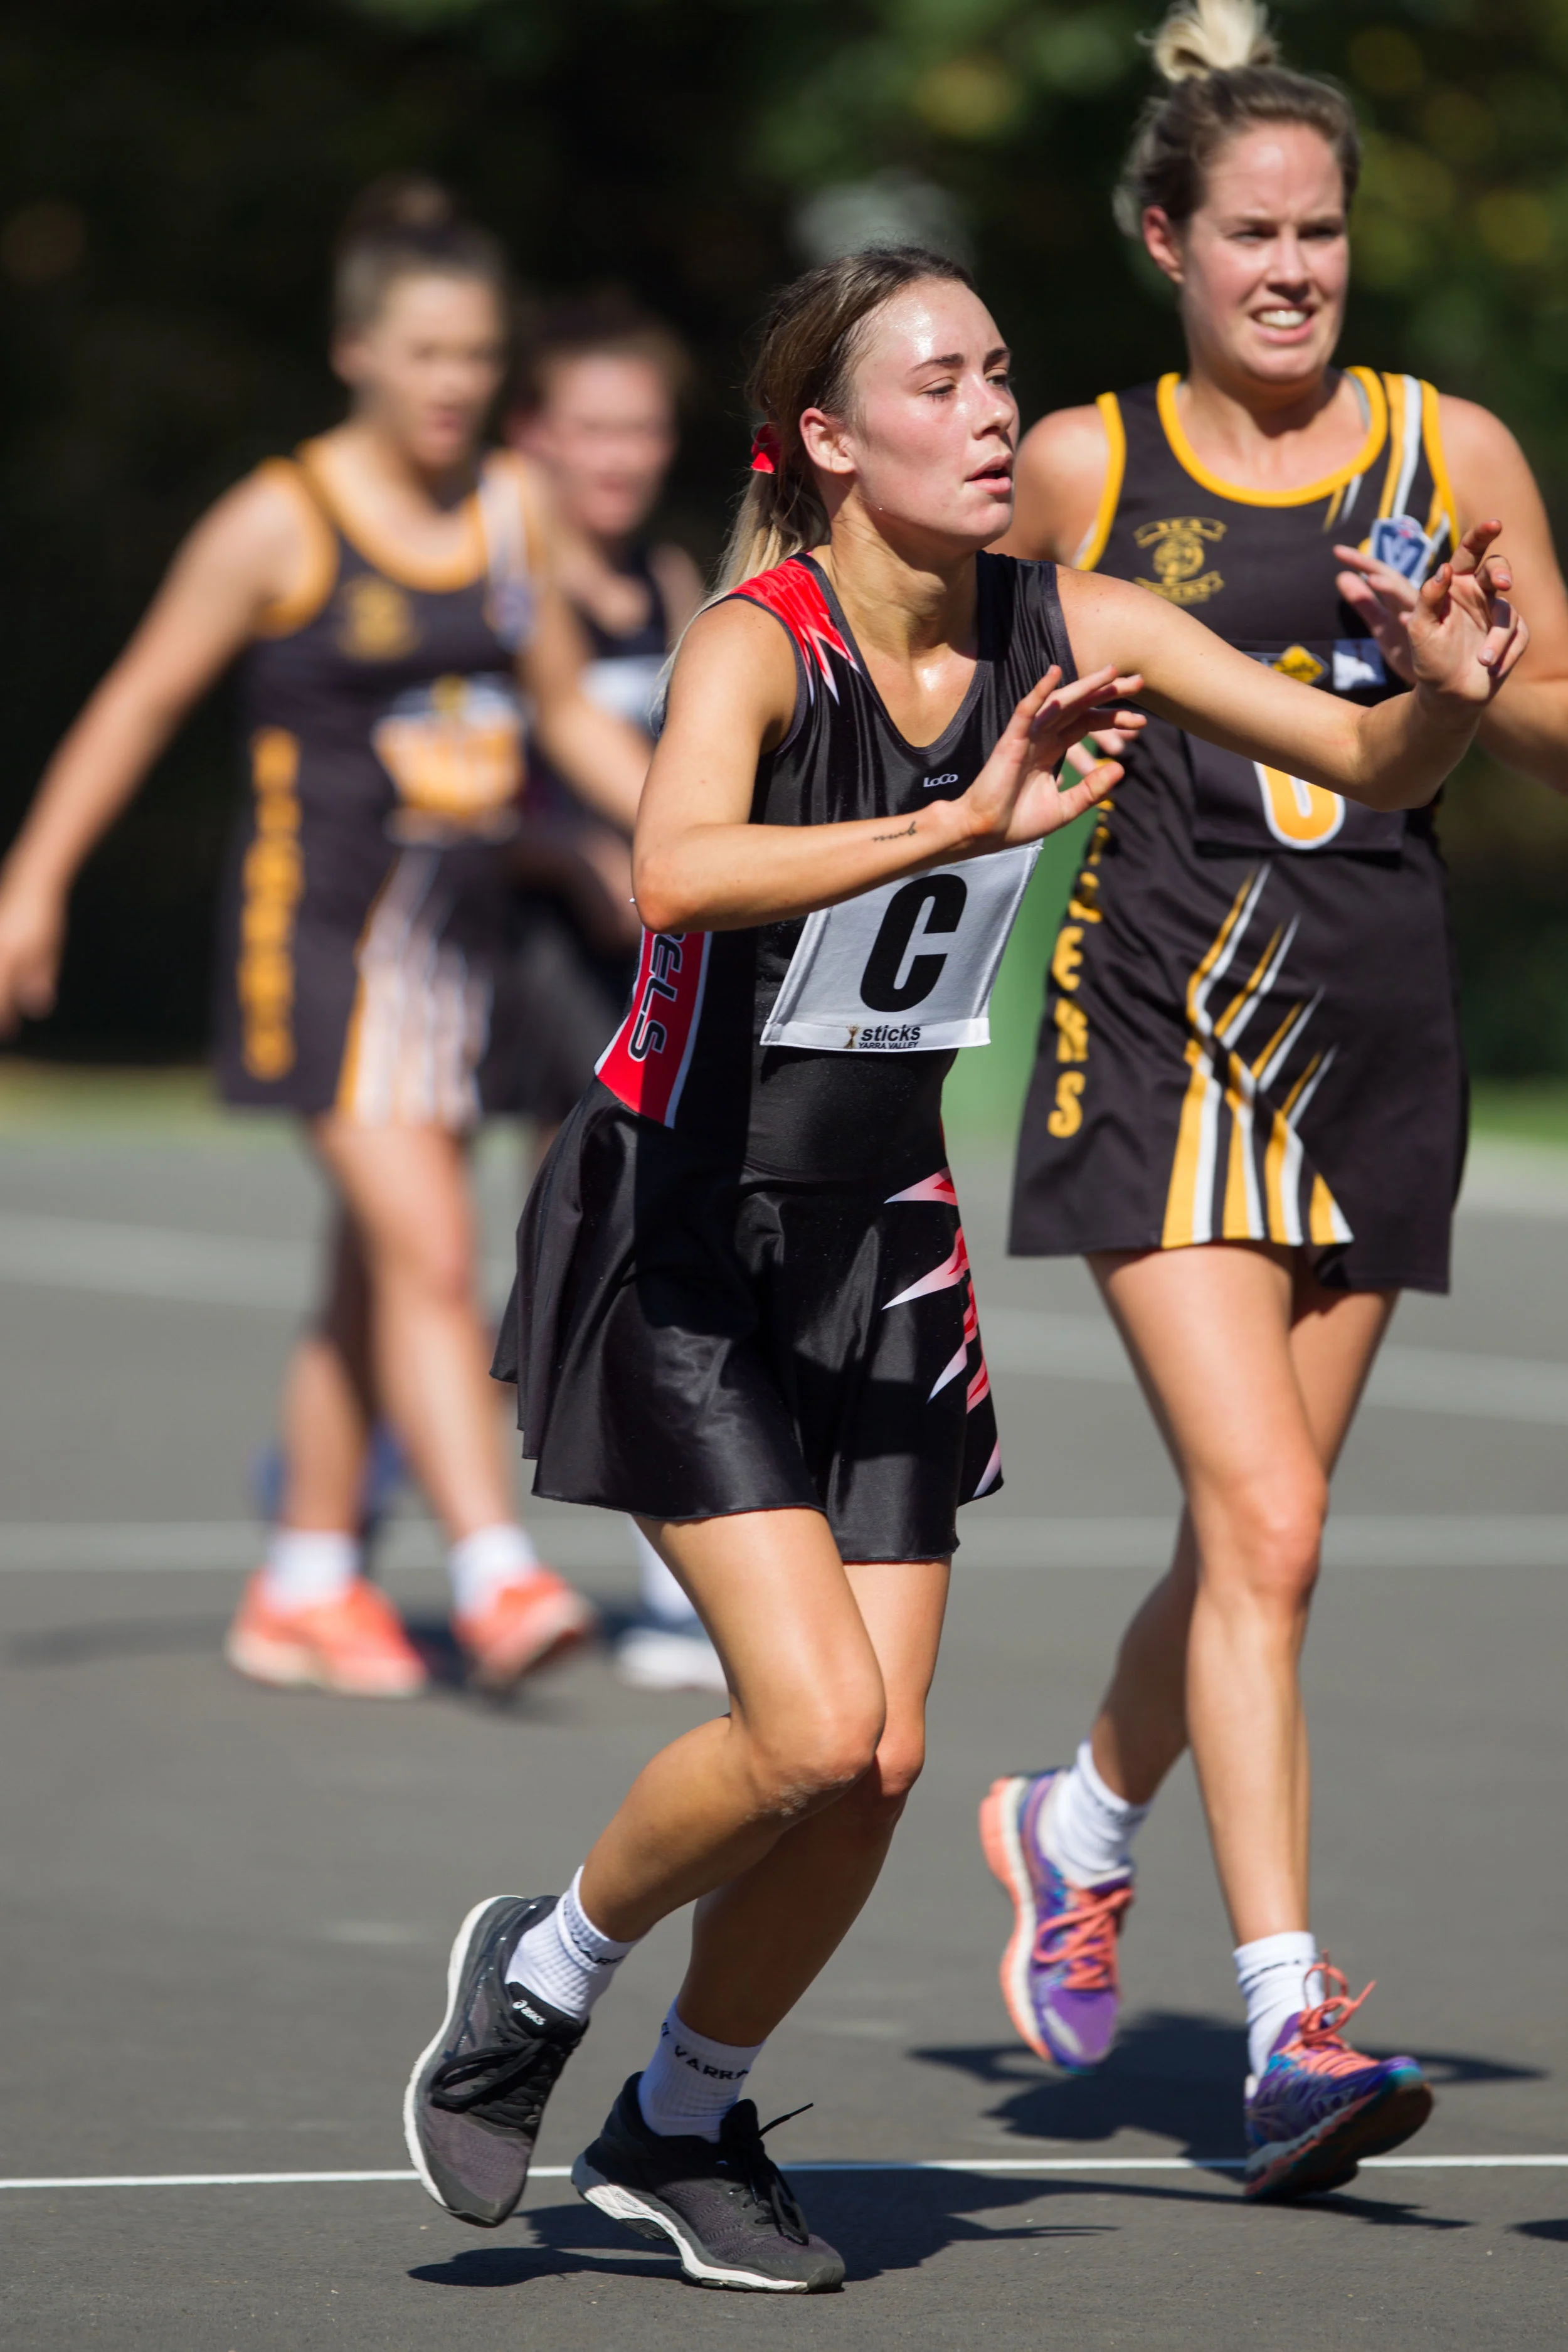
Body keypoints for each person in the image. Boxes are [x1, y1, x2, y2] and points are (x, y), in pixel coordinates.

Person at [400, 243, 1520, 2289]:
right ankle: (540, 1977)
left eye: (1004, 373)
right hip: (685, 1222)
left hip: (882, 1242)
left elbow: (1358, 774)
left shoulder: (1072, 615)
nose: (996, 412)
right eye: (941, 383)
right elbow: (676, 871)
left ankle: (685, 2116)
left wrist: (1440, 692)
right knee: (813, 1724)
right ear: (830, 439)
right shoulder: (766, 641)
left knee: (883, 1766)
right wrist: (958, 823)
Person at [980, 0, 1568, 2201]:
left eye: (1324, 231)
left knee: (1255, 1535)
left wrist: (1477, 683)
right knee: (1278, 1533)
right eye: (1254, 233)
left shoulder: (1455, 450)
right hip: (1153, 1028)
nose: (1297, 269)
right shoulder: (1084, 467)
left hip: (1379, 1029)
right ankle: (1289, 2024)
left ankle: (1072, 1821)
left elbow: (1556, 732)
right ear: (1168, 241)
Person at [0, 177, 649, 1698]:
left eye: (478, 355)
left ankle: (301, 1575)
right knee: (429, 1250)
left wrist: (688, 842)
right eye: (425, 352)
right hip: (314, 946)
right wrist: (32, 881)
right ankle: (494, 1577)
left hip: (448, 953)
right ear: (356, 351)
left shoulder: (508, 511)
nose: (454, 383)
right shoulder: (277, 522)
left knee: (375, 1267)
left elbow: (561, 708)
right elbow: (137, 702)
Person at [507, 296, 724, 1694]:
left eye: (641, 427)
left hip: (634, 951)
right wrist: (608, 852)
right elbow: (507, 755)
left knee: (624, 1255)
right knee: (518, 1263)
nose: (620, 455)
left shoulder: (665, 577)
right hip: (517, 948)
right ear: (534, 436)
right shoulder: (506, 576)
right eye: (591, 428)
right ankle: (335, 1520)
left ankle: (670, 1579)